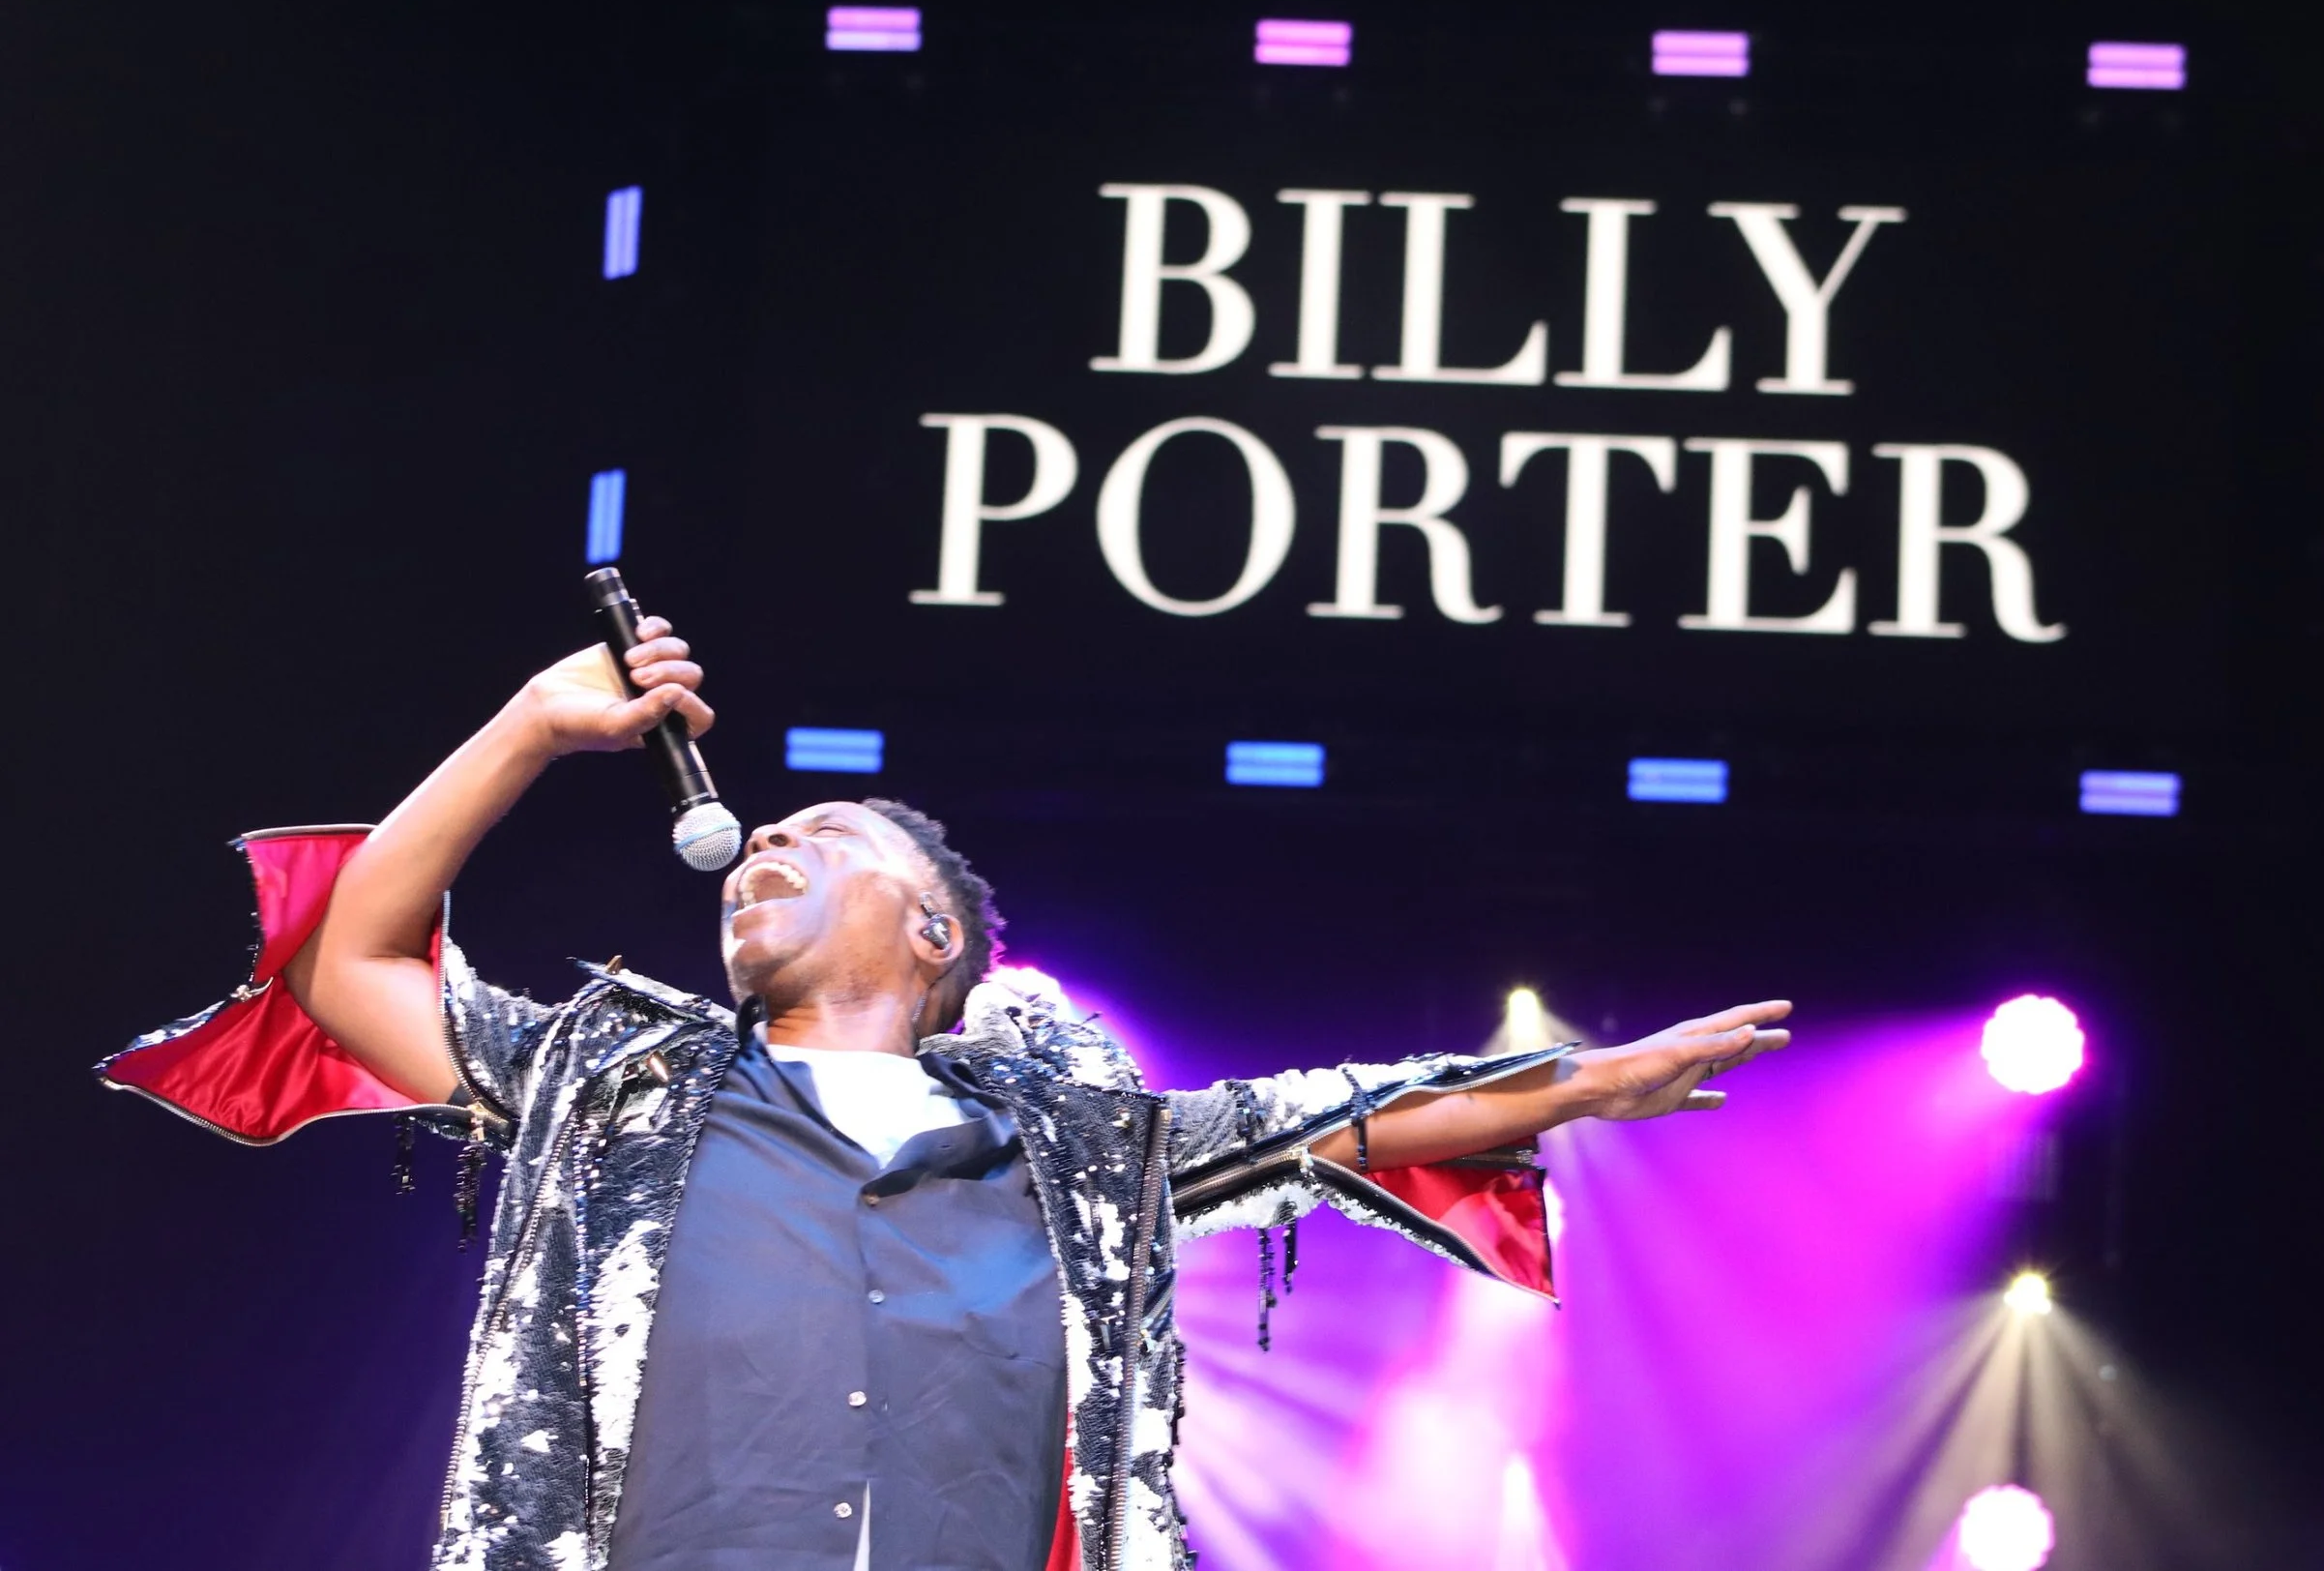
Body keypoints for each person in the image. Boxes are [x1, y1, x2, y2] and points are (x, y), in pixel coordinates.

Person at [99, 617, 1790, 1571]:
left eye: (819, 838)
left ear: (932, 926)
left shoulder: (1071, 1144)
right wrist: (534, 724)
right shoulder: (620, 1082)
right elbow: (352, 963)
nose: (762, 841)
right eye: (759, 836)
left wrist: (1580, 1082)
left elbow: (1337, 1114)